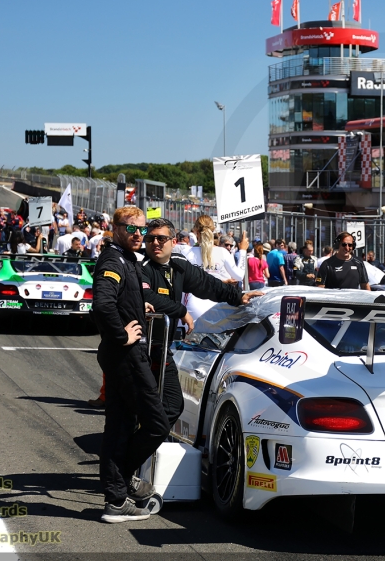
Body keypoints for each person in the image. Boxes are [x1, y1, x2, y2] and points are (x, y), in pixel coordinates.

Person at [139, 218, 260, 427]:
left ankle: (137, 451)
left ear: (173, 241)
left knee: (171, 406)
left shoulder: (178, 264)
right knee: (135, 408)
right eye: (150, 238)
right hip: (138, 348)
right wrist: (181, 311)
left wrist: (238, 296)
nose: (155, 243)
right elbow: (145, 295)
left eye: (161, 238)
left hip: (162, 347)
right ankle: (127, 454)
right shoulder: (139, 265)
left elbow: (207, 284)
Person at [92, 205, 165, 523]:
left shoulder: (126, 259)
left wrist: (138, 305)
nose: (139, 235)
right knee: (157, 424)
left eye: (143, 230)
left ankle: (116, 501)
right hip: (125, 357)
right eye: (132, 229)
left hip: (123, 357)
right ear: (116, 229)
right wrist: (122, 335)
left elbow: (118, 299)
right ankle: (122, 482)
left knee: (119, 428)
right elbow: (102, 303)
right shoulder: (112, 258)